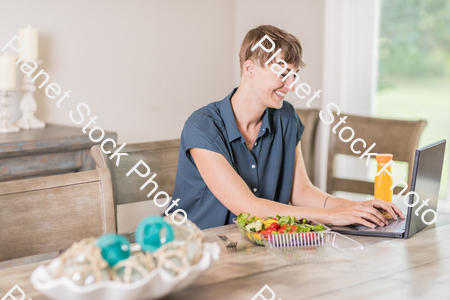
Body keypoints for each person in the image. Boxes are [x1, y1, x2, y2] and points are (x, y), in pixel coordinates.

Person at [169, 25, 404, 230]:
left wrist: (357, 207)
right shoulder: (202, 126)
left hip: (256, 247)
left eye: (294, 75)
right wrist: (332, 216)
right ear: (250, 69)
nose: (291, 86)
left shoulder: (286, 117)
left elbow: (300, 192)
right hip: (199, 249)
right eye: (283, 74)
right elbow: (247, 207)